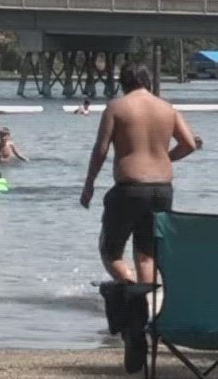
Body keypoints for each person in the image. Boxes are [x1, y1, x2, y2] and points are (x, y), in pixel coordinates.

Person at [80, 62, 201, 284]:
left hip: (130, 189)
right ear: (147, 81)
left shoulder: (117, 107)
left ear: (123, 83)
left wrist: (89, 184)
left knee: (110, 252)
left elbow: (101, 149)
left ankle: (130, 287)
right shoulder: (167, 108)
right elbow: (190, 144)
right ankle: (147, 302)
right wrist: (166, 157)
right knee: (146, 255)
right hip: (162, 190)